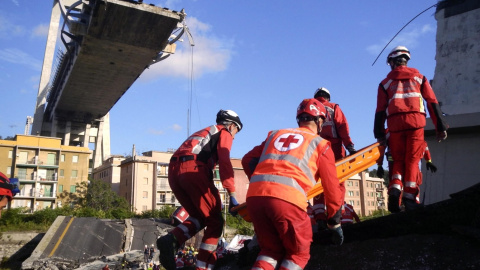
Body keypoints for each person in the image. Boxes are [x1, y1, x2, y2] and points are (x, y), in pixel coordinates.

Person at [241, 98, 344, 270]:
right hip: (287, 201)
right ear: (319, 121)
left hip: (255, 198)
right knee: (298, 255)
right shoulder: (321, 144)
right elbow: (332, 188)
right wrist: (334, 222)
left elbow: (247, 160)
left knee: (270, 251)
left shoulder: (275, 134)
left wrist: (263, 183)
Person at [157, 109, 243, 270]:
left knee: (200, 216)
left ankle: (171, 239)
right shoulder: (224, 132)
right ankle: (204, 266)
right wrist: (232, 193)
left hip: (174, 171)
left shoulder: (204, 132)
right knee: (216, 220)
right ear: (232, 126)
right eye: (236, 131)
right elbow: (225, 162)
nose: (235, 136)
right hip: (193, 170)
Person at [374, 46, 448, 213]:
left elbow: (380, 110)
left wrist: (379, 134)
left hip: (395, 126)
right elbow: (432, 102)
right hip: (416, 124)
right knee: (413, 161)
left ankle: (394, 188)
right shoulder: (420, 78)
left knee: (398, 161)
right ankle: (409, 198)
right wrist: (440, 127)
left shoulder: (385, 83)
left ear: (393, 62)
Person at [313, 87, 357, 160]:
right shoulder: (333, 107)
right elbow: (342, 126)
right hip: (335, 149)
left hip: (317, 149)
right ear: (328, 98)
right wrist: (349, 146)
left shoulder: (311, 109)